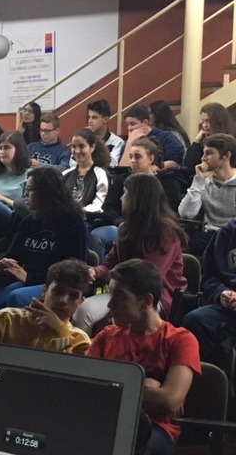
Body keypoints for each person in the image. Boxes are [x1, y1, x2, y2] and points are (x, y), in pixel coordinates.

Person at [87, 259, 201, 455]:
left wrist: (110, 387)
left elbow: (169, 401)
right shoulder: (106, 336)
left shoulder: (181, 339)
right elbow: (87, 388)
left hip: (155, 429)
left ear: (147, 301)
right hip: (107, 421)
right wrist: (144, 386)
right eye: (111, 295)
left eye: (121, 297)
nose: (110, 304)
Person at [0, 166, 88, 338]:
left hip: (54, 286)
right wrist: (4, 263)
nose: (25, 195)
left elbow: (74, 270)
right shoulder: (30, 221)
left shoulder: (73, 222)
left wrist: (30, 278)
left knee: (16, 298)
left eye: (30, 190)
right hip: (22, 281)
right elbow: (12, 254)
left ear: (46, 193)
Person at [73, 174, 188, 335]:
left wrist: (112, 276)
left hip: (155, 297)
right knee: (83, 310)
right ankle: (84, 349)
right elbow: (110, 263)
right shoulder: (126, 228)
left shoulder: (166, 233)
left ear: (138, 198)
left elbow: (149, 276)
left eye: (125, 193)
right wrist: (94, 272)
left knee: (120, 312)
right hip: (123, 289)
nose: (121, 198)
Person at [87, 138, 180, 261]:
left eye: (137, 157)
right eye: (130, 156)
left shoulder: (166, 182)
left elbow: (169, 210)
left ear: (151, 159)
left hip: (153, 228)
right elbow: (107, 206)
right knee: (97, 235)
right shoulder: (122, 179)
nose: (132, 161)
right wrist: (120, 222)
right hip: (123, 226)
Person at [0, 259, 91, 355]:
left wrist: (60, 331)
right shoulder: (6, 319)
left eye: (73, 296)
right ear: (45, 290)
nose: (63, 300)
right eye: (58, 292)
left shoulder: (80, 340)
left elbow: (68, 373)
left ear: (81, 302)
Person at [182, 199, 236, 367]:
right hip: (228, 307)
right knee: (195, 319)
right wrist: (221, 293)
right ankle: (215, 378)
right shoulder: (225, 235)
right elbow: (208, 278)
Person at [178, 133, 236, 255]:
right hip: (209, 236)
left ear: (226, 156)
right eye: (203, 153)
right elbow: (186, 214)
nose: (203, 158)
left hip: (232, 234)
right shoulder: (203, 181)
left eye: (209, 153)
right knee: (183, 241)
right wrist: (198, 180)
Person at [119, 104, 185, 169]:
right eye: (127, 125)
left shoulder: (166, 137)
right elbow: (122, 169)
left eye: (133, 124)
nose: (129, 128)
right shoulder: (129, 141)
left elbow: (176, 162)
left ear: (145, 122)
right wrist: (129, 143)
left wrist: (152, 169)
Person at [62, 128, 110, 213]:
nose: (77, 151)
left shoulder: (100, 174)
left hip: (90, 218)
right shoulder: (65, 174)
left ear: (92, 147)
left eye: (81, 146)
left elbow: (98, 205)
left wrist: (79, 212)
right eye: (74, 147)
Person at [184, 102, 236, 169]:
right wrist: (196, 141)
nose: (204, 125)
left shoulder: (232, 139)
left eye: (208, 121)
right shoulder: (204, 141)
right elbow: (189, 165)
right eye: (203, 121)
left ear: (218, 121)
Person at [86, 99, 125, 168]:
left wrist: (96, 142)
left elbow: (112, 165)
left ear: (106, 119)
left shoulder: (117, 142)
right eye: (89, 117)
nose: (90, 121)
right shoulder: (84, 138)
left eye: (94, 117)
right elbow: (73, 163)